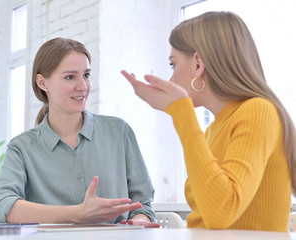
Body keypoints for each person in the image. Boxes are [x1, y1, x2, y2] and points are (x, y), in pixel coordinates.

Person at [122, 11, 295, 232]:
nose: (171, 78)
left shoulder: (258, 111)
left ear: (197, 64)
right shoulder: (213, 129)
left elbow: (220, 213)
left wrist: (181, 112)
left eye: (173, 65)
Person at [0, 37, 157, 227]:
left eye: (86, 75)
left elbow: (143, 206)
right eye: (70, 77)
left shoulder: (119, 132)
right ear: (43, 83)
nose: (83, 86)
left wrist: (138, 223)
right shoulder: (22, 148)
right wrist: (77, 214)